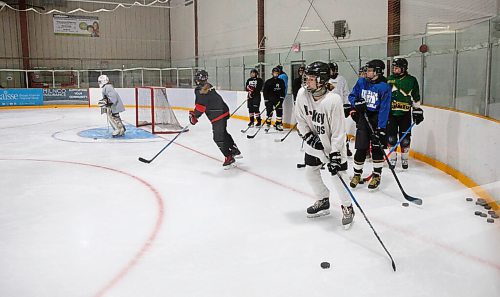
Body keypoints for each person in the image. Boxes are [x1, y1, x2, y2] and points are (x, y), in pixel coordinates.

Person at [295, 61, 354, 229]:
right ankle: (323, 200)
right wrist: (308, 136)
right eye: (306, 78)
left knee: (338, 177)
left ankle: (348, 207)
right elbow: (300, 119)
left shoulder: (333, 100)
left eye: (311, 78)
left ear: (321, 80)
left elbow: (338, 131)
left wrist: (335, 154)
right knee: (310, 173)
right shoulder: (302, 94)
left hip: (332, 146)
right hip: (313, 144)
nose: (307, 81)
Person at [348, 59, 391, 190]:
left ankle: (377, 175)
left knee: (377, 148)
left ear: (378, 72)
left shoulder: (384, 87)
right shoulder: (361, 82)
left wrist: (381, 128)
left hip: (377, 118)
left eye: (370, 70)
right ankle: (356, 174)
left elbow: (385, 108)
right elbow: (351, 96)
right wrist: (356, 103)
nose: (367, 72)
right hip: (363, 118)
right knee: (360, 148)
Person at [189, 70, 241, 169]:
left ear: (197, 80)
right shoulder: (209, 85)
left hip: (217, 116)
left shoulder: (199, 90)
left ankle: (229, 157)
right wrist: (195, 115)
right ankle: (234, 149)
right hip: (224, 111)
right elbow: (205, 101)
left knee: (218, 138)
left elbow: (200, 107)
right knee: (223, 132)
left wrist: (194, 116)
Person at [386, 58, 424, 169]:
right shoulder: (389, 79)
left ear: (403, 68)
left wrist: (417, 111)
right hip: (391, 114)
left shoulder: (411, 80)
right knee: (391, 138)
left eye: (397, 68)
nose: (394, 69)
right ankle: (392, 158)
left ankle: (404, 158)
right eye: (394, 67)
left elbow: (416, 96)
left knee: (405, 138)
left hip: (405, 114)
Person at [328, 62, 352, 157]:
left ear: (335, 70)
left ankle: (345, 146)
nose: (329, 71)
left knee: (341, 129)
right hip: (328, 109)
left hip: (339, 108)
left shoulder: (341, 79)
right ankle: (330, 148)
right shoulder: (326, 80)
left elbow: (346, 93)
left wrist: (347, 105)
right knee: (329, 129)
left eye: (330, 69)